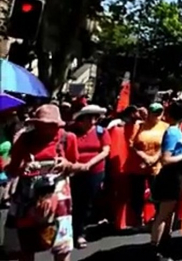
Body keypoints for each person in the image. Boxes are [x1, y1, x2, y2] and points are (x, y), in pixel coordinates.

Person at [5, 104, 83, 261]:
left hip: (58, 198)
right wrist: (23, 167)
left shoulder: (68, 138)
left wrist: (67, 165)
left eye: (50, 125)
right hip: (27, 198)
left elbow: (77, 167)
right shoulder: (24, 139)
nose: (45, 129)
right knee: (26, 246)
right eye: (41, 125)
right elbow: (11, 169)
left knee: (61, 247)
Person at [149, 102, 182, 261]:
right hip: (170, 175)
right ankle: (155, 248)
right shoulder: (172, 133)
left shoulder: (178, 131)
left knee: (169, 214)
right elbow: (166, 159)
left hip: (176, 175)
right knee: (163, 214)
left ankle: (163, 244)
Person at [67, 105, 111, 249]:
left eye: (95, 117)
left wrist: (89, 164)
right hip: (74, 171)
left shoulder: (101, 132)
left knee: (86, 203)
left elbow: (105, 151)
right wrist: (75, 165)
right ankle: (69, 231)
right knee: (72, 202)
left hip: (95, 171)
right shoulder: (71, 131)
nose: (92, 121)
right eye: (89, 117)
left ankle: (80, 232)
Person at [128, 103, 168, 227]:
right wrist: (145, 157)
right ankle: (138, 220)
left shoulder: (166, 127)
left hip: (157, 165)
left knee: (157, 193)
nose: (157, 115)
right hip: (139, 165)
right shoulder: (139, 126)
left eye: (159, 112)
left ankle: (157, 218)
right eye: (154, 112)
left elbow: (167, 144)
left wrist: (154, 158)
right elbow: (132, 144)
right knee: (137, 195)